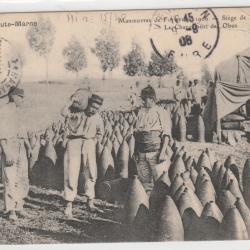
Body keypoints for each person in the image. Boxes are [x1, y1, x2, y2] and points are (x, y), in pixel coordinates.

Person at [62, 92, 104, 217]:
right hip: (74, 142)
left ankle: (90, 202)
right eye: (92, 107)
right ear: (87, 104)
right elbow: (63, 113)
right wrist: (70, 100)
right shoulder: (76, 113)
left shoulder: (98, 118)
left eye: (97, 108)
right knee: (71, 172)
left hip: (89, 143)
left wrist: (93, 142)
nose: (94, 110)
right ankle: (68, 204)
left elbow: (100, 133)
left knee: (91, 172)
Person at [133, 85, 172, 194]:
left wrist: (163, 152)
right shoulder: (141, 112)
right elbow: (137, 133)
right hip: (142, 153)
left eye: (145, 100)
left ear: (152, 99)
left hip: (155, 152)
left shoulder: (161, 112)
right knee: (145, 182)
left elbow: (166, 134)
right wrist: (136, 151)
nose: (143, 102)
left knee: (160, 181)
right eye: (142, 99)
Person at [0, 86, 30, 221]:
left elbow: (22, 131)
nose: (22, 100)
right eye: (20, 97)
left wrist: (28, 146)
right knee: (10, 178)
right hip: (9, 146)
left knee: (22, 177)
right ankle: (10, 209)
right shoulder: (4, 110)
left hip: (20, 146)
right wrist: (6, 151)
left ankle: (19, 206)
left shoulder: (18, 112)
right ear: (12, 96)